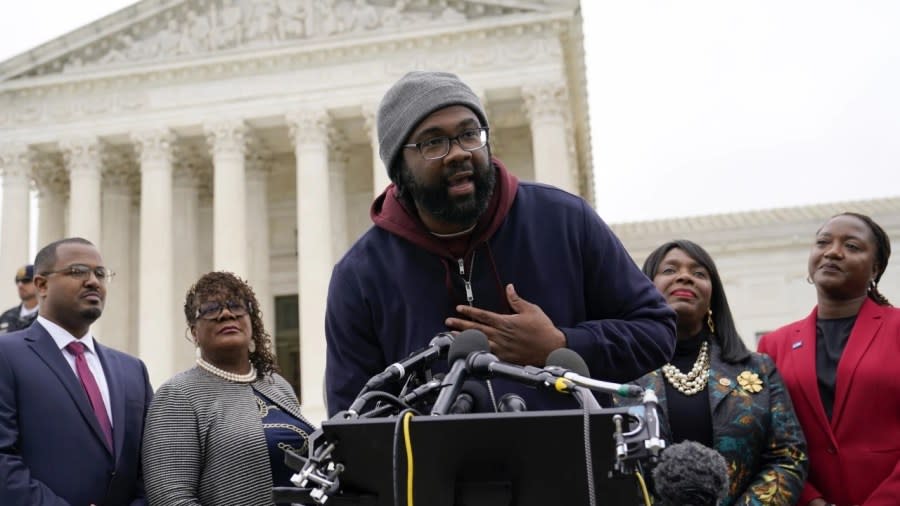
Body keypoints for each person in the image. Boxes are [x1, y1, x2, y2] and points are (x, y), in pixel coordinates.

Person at [325, 70, 677, 415]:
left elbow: (656, 331)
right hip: (434, 472)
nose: (459, 152)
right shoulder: (360, 274)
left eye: (469, 133)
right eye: (433, 142)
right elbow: (352, 418)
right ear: (399, 167)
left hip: (570, 465)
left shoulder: (564, 219)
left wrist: (560, 345)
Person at [624, 240, 807, 505]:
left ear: (713, 297)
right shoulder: (619, 370)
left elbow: (788, 457)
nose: (685, 276)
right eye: (669, 270)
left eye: (699, 273)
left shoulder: (759, 369)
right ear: (645, 289)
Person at [758, 212, 899, 506]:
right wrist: (811, 500)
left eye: (852, 246)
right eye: (823, 242)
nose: (832, 252)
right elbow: (768, 438)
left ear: (875, 268)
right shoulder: (774, 345)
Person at [0, 237, 153, 505]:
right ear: (42, 285)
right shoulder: (7, 354)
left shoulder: (132, 371)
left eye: (101, 274)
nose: (93, 281)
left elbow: (150, 464)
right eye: (78, 271)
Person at [143, 271, 316, 505]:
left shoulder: (278, 385)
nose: (226, 314)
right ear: (194, 332)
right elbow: (171, 498)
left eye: (236, 305)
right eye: (211, 309)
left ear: (251, 322)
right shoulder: (178, 395)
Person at [0, 264, 39, 333]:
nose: (20, 285)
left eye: (26, 280)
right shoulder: (6, 316)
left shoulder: (47, 317)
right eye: (17, 281)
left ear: (38, 283)